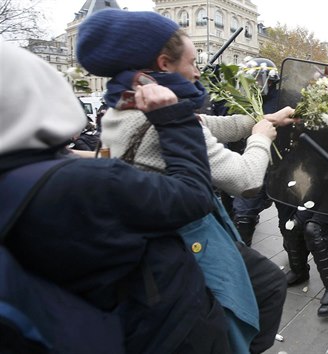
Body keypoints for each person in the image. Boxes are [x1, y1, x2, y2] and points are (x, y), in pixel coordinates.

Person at [77, 9, 293, 353]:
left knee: (260, 285)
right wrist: (262, 138)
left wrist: (263, 119)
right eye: (192, 62)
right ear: (164, 64)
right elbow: (245, 179)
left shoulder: (121, 108)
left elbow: (207, 125)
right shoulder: (161, 120)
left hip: (159, 234)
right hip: (186, 237)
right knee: (264, 288)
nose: (197, 71)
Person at [1, 41, 230, 353]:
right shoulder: (90, 183)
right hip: (167, 326)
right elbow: (192, 197)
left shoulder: (20, 173)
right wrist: (175, 118)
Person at [230, 57, 281, 246]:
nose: (252, 84)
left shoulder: (285, 98)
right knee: (242, 214)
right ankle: (244, 265)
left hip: (280, 169)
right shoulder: (245, 102)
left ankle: (298, 269)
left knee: (289, 225)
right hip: (255, 163)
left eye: (256, 80)